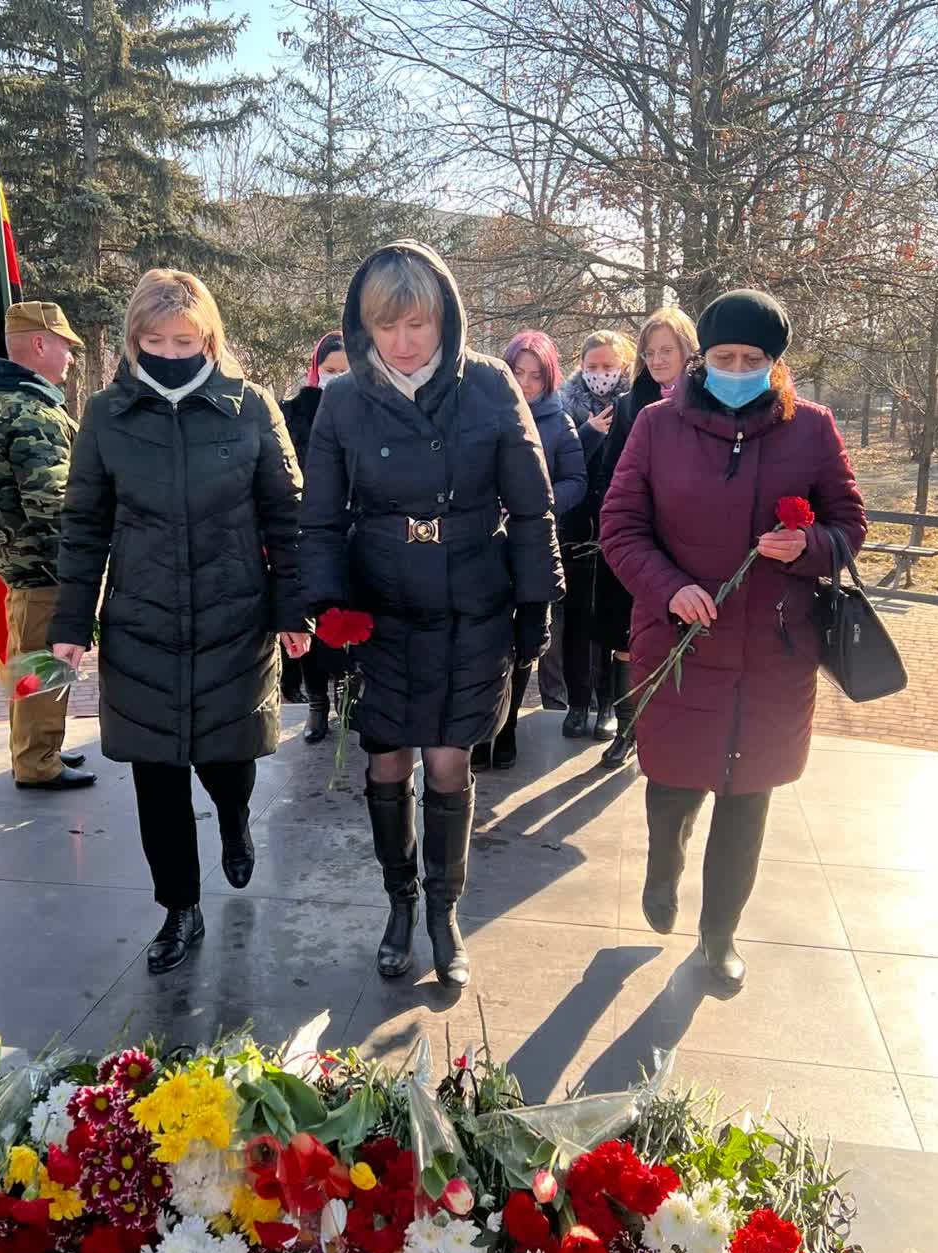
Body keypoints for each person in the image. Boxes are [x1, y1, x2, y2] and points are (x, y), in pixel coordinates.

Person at [300, 242, 564, 988]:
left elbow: (532, 506)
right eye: (387, 326)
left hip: (469, 602)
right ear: (365, 326)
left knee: (449, 762)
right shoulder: (344, 400)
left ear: (444, 316)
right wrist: (326, 608)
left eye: (416, 323)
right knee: (387, 759)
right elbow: (319, 518)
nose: (404, 341)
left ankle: (444, 909)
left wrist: (535, 605)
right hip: (381, 605)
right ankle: (399, 902)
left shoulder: (487, 385)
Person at [599, 289, 865, 990]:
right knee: (673, 786)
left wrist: (808, 545)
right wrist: (669, 587)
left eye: (754, 359)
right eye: (725, 357)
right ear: (701, 359)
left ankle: (718, 936)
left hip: (774, 655)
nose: (739, 370)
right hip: (680, 646)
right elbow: (620, 527)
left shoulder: (813, 429)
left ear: (775, 363)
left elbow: (849, 525)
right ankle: (664, 866)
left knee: (748, 800)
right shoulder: (656, 426)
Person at [49, 269, 310, 974]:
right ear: (134, 340)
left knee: (228, 759)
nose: (169, 352)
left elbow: (288, 518)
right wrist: (70, 624)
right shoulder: (107, 415)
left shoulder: (250, 408)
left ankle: (235, 819)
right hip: (141, 622)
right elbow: (84, 525)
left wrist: (293, 610)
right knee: (156, 775)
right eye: (154, 341)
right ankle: (179, 907)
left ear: (209, 339)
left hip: (234, 617)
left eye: (183, 341)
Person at [0, 301, 96, 791]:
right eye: (65, 346)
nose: (71, 357)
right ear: (40, 344)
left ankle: (38, 748)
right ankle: (37, 761)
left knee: (30, 661)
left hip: (22, 562)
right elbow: (52, 505)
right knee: (43, 662)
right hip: (45, 567)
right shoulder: (31, 412)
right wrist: (80, 570)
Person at [472, 329, 584, 770]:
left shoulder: (559, 421)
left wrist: (536, 501)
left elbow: (576, 480)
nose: (526, 383)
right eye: (518, 372)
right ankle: (481, 728)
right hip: (485, 543)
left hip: (533, 543)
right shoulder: (483, 412)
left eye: (536, 375)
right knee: (485, 638)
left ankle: (508, 726)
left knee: (525, 640)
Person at [595, 308, 699, 770]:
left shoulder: (710, 403)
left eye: (666, 351)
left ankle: (673, 728)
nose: (656, 360)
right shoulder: (629, 405)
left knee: (683, 640)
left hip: (689, 545)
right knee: (627, 640)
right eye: (649, 352)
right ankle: (628, 730)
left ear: (688, 351)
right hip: (636, 545)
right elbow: (610, 474)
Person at [557, 330, 635, 740]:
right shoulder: (564, 406)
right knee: (575, 621)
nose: (600, 374)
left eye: (608, 366)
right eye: (593, 366)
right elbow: (557, 466)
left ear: (623, 366)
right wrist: (587, 434)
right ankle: (577, 702)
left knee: (610, 620)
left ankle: (607, 703)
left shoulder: (634, 406)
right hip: (575, 528)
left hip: (617, 531)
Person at [279, 332, 350, 744]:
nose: (335, 378)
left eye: (344, 371)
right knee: (313, 619)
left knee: (348, 621)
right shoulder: (294, 413)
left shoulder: (366, 408)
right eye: (330, 370)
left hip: (353, 530)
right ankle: (317, 703)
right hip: (307, 531)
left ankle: (346, 697)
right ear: (316, 370)